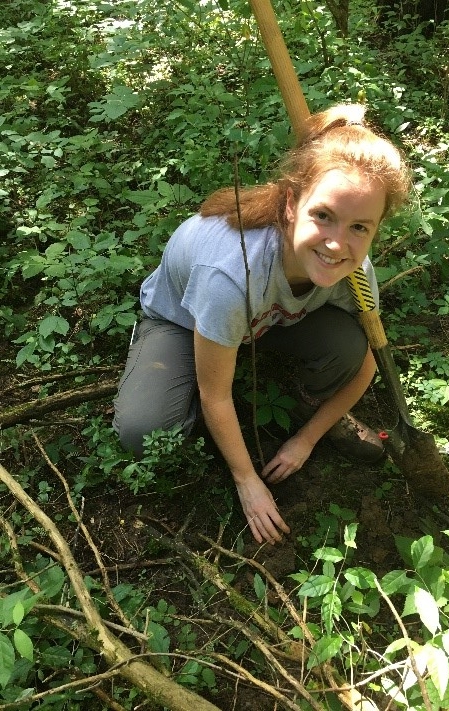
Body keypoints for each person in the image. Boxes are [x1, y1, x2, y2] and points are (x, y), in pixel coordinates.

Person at [113, 103, 411, 546]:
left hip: (264, 322)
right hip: (186, 320)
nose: (336, 244)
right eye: (323, 215)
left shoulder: (355, 270)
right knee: (144, 433)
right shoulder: (230, 275)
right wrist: (247, 480)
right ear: (292, 203)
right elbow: (215, 395)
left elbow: (366, 365)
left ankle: (305, 402)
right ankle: (174, 361)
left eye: (359, 227)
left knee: (348, 346)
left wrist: (306, 440)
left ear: (375, 230)